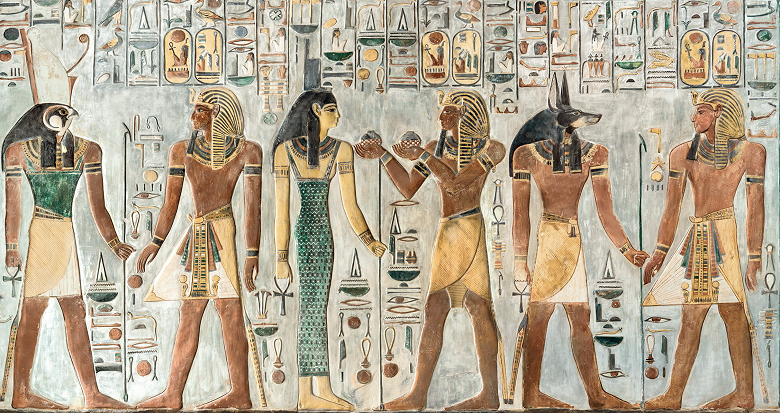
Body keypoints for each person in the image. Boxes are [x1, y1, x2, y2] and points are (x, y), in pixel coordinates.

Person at [355, 90, 505, 411]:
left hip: (469, 228)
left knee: (478, 308)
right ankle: (419, 395)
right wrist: (384, 154)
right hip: (447, 231)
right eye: (443, 111)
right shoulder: (437, 148)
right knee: (438, 309)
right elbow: (408, 187)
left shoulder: (491, 148)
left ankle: (487, 394)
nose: (442, 118)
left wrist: (423, 155)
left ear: (468, 115)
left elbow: (455, 183)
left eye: (450, 112)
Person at [510, 74, 648, 409]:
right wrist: (519, 260)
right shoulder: (526, 156)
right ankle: (533, 394)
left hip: (571, 241)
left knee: (580, 319)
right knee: (540, 317)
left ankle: (595, 395)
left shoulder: (595, 154)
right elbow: (520, 215)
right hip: (549, 241)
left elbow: (605, 212)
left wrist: (627, 250)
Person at [135, 87, 262, 409]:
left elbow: (253, 208)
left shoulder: (248, 151)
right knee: (190, 311)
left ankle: (240, 393)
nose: (193, 115)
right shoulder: (182, 150)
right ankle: (173, 394)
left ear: (219, 113)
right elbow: (170, 203)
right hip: (197, 231)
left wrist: (252, 254)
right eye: (195, 109)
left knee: (229, 312)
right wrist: (156, 241)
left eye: (201, 109)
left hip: (222, 230)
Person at [3, 103, 134, 409]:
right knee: (33, 312)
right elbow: (13, 205)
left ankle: (91, 394)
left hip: (65, 233)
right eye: (61, 115)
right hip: (42, 234)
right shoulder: (18, 152)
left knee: (75, 313)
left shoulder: (89, 150)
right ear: (44, 120)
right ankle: (22, 393)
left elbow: (98, 206)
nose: (67, 121)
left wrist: (114, 242)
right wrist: (11, 247)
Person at [643, 88, 765, 410]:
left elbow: (756, 207)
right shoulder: (682, 153)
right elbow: (671, 209)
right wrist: (659, 253)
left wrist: (754, 257)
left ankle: (739, 393)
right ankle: (679, 394)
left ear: (719, 112)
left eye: (700, 111)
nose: (693, 117)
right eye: (695, 111)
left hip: (724, 232)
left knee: (732, 313)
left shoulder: (751, 152)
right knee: (695, 314)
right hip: (700, 234)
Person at [273, 89, 386, 411]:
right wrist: (281, 258)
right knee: (310, 311)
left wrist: (368, 239)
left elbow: (350, 204)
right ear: (316, 110)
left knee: (316, 310)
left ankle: (319, 389)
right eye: (333, 110)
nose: (339, 116)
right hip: (305, 235)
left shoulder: (342, 150)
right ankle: (307, 393)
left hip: (324, 236)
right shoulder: (285, 151)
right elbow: (282, 211)